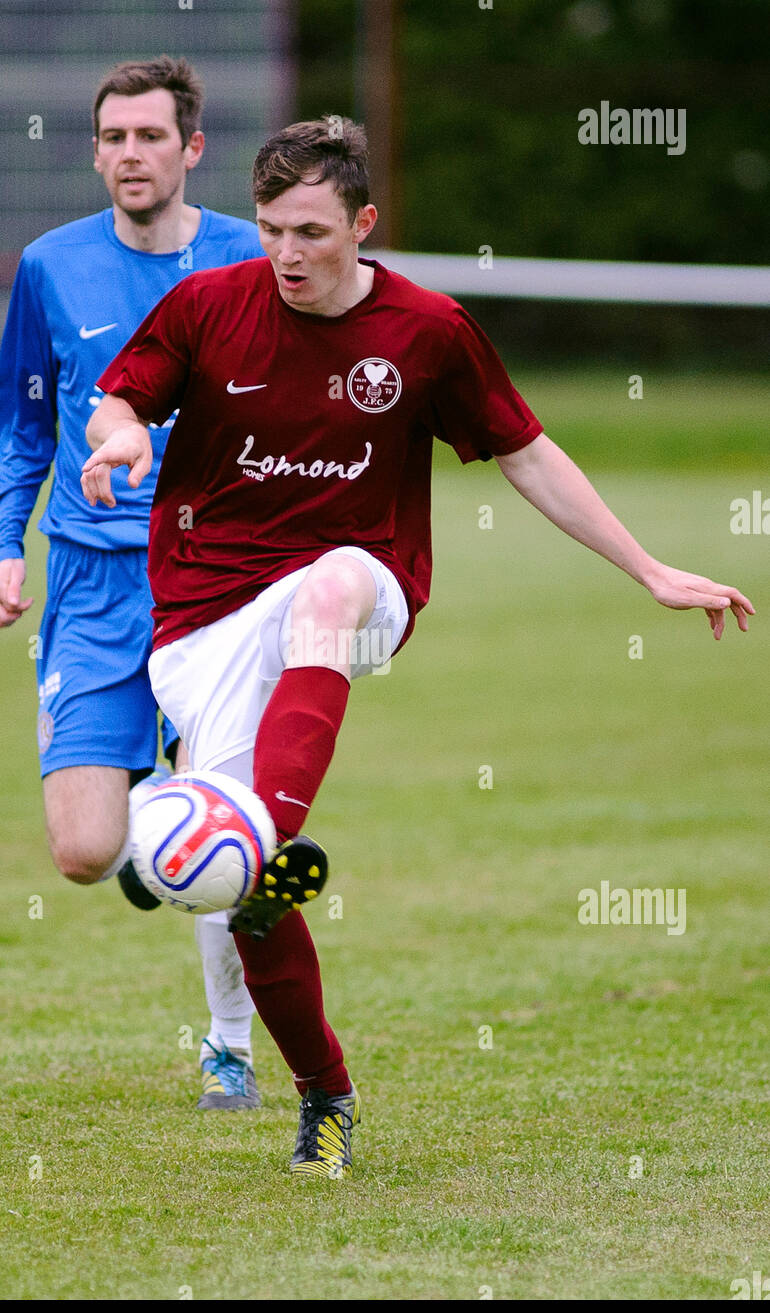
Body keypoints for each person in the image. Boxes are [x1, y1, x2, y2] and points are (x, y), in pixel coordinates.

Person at [81, 116, 754, 1177]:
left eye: (309, 231)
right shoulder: (211, 304)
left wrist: (649, 570)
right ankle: (322, 1087)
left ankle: (263, 826)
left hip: (359, 582)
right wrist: (117, 433)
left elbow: (526, 454)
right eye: (268, 230)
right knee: (241, 903)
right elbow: (121, 395)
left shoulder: (427, 330)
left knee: (335, 583)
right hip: (203, 614)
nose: (286, 255)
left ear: (363, 222)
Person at [0, 56, 267, 1111]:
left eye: (150, 136)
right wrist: (0, 545)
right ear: (94, 149)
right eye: (113, 137)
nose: (129, 154)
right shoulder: (51, 266)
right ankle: (161, 818)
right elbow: (16, 422)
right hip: (94, 581)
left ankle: (228, 1048)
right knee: (87, 852)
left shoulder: (249, 259)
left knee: (222, 825)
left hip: (221, 581)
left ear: (191, 149)